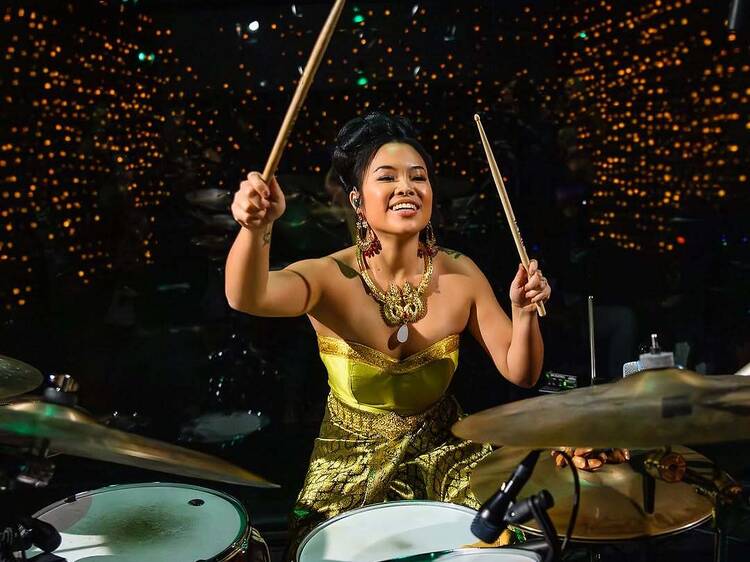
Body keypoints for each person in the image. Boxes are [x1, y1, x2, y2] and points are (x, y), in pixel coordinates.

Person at [225, 112, 551, 556]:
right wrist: (255, 227)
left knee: (498, 543)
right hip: (349, 460)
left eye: (418, 177)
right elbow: (248, 296)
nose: (406, 187)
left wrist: (523, 312)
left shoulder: (461, 274)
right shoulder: (329, 277)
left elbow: (521, 372)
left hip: (445, 450)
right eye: (387, 177)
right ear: (357, 200)